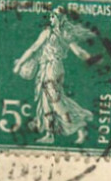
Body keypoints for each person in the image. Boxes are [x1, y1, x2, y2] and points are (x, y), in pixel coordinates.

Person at [13, 7, 94, 145]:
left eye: (54, 16)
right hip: (53, 68)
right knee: (49, 101)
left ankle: (75, 122)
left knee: (55, 101)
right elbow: (79, 52)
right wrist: (90, 58)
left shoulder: (49, 32)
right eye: (51, 16)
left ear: (61, 18)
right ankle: (52, 133)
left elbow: (33, 49)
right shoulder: (65, 34)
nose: (51, 18)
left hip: (51, 68)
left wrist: (19, 64)